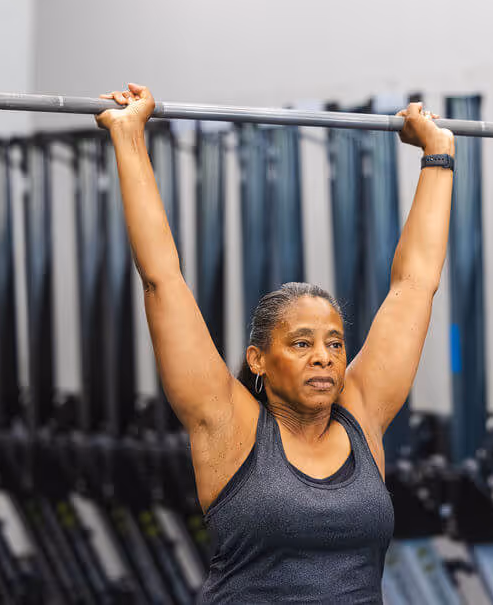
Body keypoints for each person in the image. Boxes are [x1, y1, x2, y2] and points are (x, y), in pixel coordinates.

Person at [96, 83, 455, 604]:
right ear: (257, 360)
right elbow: (162, 280)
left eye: (334, 343)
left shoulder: (362, 413)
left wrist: (438, 154)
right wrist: (129, 138)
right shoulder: (227, 425)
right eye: (302, 343)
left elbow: (415, 285)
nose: (324, 357)